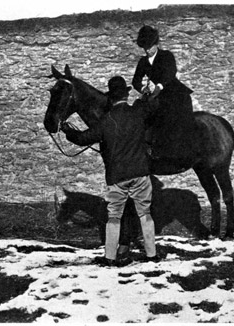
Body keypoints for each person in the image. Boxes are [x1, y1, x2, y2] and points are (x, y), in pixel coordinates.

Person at [61, 76, 160, 267]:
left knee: (114, 217)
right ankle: (151, 255)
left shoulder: (106, 121)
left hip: (117, 177)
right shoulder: (138, 112)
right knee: (145, 214)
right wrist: (148, 93)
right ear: (126, 94)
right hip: (140, 173)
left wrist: (67, 130)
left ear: (110, 98)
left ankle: (110, 257)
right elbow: (152, 106)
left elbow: (82, 138)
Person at [132, 25, 195, 161]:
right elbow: (135, 80)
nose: (148, 50)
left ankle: (175, 147)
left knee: (168, 114)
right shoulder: (142, 62)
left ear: (156, 44)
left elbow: (170, 73)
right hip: (155, 95)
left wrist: (159, 86)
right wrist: (143, 88)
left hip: (174, 92)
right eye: (145, 48)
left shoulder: (166, 56)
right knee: (139, 111)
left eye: (150, 47)